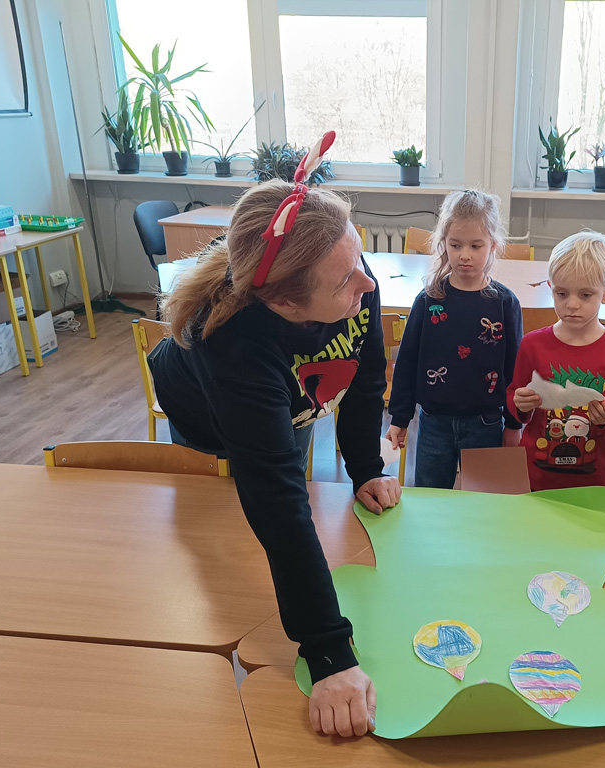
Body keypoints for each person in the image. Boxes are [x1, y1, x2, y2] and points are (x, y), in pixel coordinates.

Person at [148, 133, 401, 739]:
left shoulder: (349, 275)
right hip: (208, 420)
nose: (367, 285)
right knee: (222, 549)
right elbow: (278, 503)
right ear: (286, 303)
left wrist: (365, 468)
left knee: (288, 465)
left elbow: (365, 378)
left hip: (288, 398)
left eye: (359, 257)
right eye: (345, 282)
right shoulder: (230, 345)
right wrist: (329, 651)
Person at [386, 190, 523, 488]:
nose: (465, 255)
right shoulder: (428, 300)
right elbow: (407, 362)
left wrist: (514, 424)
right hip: (434, 422)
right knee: (430, 498)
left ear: (493, 245)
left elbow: (515, 369)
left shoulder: (505, 303)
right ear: (443, 244)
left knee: (484, 502)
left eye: (476, 245)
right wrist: (399, 418)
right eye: (455, 245)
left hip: (486, 423)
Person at [506, 231, 605, 491]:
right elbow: (515, 397)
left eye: (585, 295)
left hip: (594, 475)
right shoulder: (532, 344)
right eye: (562, 293)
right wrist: (520, 403)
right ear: (551, 289)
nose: (572, 304)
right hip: (537, 472)